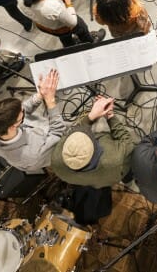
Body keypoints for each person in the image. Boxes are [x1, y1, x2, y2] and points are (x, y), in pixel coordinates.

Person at [49, 96, 133, 224]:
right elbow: (125, 138)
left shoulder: (56, 161)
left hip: (93, 181)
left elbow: (71, 132)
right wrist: (110, 115)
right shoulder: (116, 158)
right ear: (94, 145)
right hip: (107, 175)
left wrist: (92, 115)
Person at [0, 71, 68, 174]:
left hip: (41, 133)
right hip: (55, 148)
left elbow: (22, 109)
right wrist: (50, 101)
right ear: (13, 126)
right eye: (22, 115)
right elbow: (58, 133)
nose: (24, 110)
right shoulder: (33, 154)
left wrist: (40, 95)